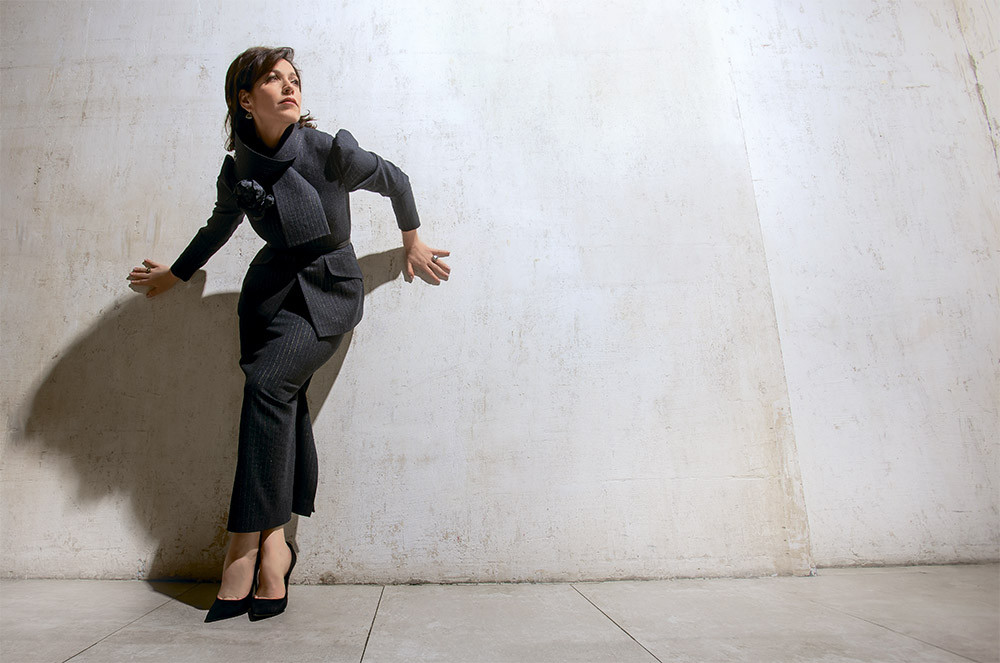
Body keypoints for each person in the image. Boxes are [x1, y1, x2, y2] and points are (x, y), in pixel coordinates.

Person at [127, 46, 449, 622]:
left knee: (267, 386)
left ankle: (243, 546)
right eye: (273, 79)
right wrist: (177, 273)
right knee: (282, 398)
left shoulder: (328, 150)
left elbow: (395, 179)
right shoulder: (238, 170)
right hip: (271, 294)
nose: (289, 85)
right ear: (245, 100)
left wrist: (412, 240)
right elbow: (219, 225)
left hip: (329, 289)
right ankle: (276, 544)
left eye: (294, 78)